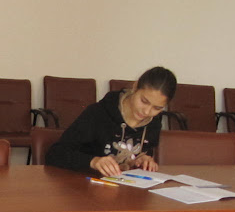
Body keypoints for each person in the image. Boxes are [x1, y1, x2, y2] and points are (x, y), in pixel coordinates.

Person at [45, 66, 177, 177]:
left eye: (157, 108)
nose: (147, 112)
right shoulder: (98, 113)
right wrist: (93, 161)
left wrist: (142, 160)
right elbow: (55, 154)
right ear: (135, 87)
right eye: (144, 101)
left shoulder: (153, 124)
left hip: (126, 190)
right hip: (86, 187)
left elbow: (138, 158)